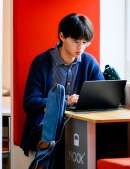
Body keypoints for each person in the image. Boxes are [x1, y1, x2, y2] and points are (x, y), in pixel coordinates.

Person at [20, 13, 104, 168]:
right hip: (44, 121)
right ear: (62, 36)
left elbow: (101, 94)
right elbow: (30, 102)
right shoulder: (42, 62)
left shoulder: (89, 62)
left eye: (85, 43)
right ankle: (42, 160)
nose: (81, 48)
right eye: (76, 41)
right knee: (58, 135)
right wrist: (64, 101)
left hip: (77, 122)